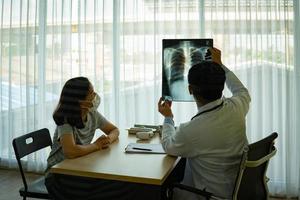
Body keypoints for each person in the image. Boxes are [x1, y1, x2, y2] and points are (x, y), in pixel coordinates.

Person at [158, 47, 251, 199]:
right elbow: (242, 91)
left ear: (190, 89)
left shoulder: (191, 130)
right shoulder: (238, 107)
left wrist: (168, 117)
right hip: (238, 189)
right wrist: (220, 65)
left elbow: (168, 146)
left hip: (210, 195)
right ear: (222, 86)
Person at [46, 77, 119, 171]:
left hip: (79, 166)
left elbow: (114, 130)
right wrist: (96, 145)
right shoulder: (65, 120)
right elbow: (70, 151)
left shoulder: (92, 114)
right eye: (91, 93)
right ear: (79, 100)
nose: (95, 96)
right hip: (58, 173)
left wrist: (107, 140)